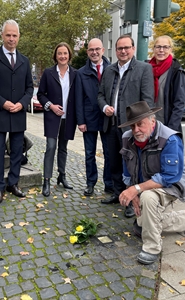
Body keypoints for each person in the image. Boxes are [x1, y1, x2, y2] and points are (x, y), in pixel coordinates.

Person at [118, 101, 185, 265]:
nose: (136, 130)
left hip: (171, 185)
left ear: (152, 122)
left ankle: (152, 248)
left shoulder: (170, 139)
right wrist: (132, 190)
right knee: (140, 227)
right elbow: (127, 171)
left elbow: (170, 176)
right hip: (144, 185)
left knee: (148, 198)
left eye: (140, 124)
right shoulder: (127, 138)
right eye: (132, 126)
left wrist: (137, 189)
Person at [97, 35, 154, 218]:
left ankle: (132, 200)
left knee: (132, 165)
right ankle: (117, 193)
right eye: (120, 48)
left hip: (131, 128)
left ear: (133, 48)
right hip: (111, 125)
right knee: (112, 161)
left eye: (126, 48)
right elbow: (100, 95)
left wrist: (142, 126)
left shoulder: (144, 69)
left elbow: (147, 100)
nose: (123, 51)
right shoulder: (109, 70)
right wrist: (105, 106)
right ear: (115, 50)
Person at [0, 20, 33, 205]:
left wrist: (22, 103)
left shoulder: (25, 61)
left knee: (17, 151)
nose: (11, 38)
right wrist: (3, 103)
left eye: (14, 35)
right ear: (2, 36)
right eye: (8, 35)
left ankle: (13, 183)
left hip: (18, 113)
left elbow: (29, 87)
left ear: (19, 37)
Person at [38, 42, 77, 197]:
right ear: (55, 56)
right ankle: (46, 180)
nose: (62, 56)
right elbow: (40, 94)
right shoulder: (48, 73)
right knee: (51, 147)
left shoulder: (75, 74)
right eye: (59, 53)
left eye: (65, 53)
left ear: (69, 55)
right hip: (52, 117)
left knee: (63, 148)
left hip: (69, 118)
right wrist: (51, 106)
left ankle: (62, 175)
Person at [75, 38, 113, 196]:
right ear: (87, 52)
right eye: (91, 50)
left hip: (107, 118)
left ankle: (109, 184)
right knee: (90, 154)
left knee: (109, 153)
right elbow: (78, 98)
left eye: (97, 49)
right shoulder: (81, 72)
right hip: (89, 119)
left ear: (103, 50)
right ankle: (90, 183)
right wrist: (80, 121)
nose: (94, 52)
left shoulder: (111, 69)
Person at [149, 35, 185, 133]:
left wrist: (171, 130)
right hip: (148, 124)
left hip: (166, 124)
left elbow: (179, 103)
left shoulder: (176, 71)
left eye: (165, 47)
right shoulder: (147, 69)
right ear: (154, 49)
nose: (161, 50)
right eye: (158, 47)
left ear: (170, 49)